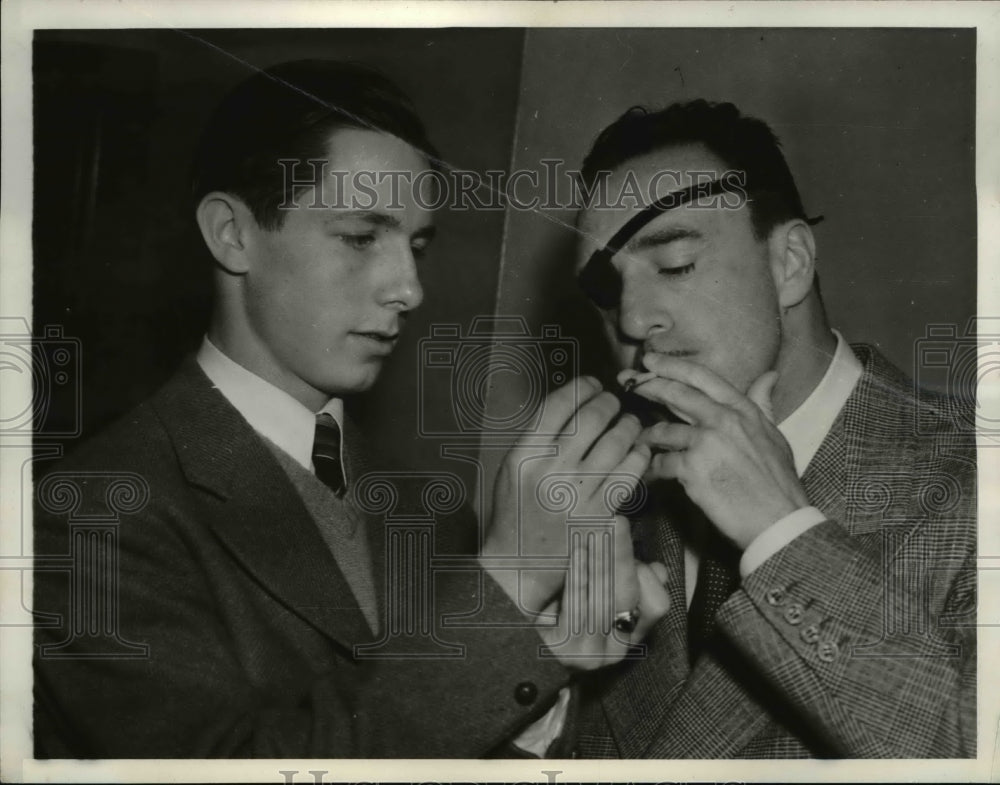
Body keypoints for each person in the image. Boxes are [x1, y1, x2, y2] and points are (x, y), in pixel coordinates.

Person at [32, 59, 669, 758]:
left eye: (417, 245)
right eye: (362, 237)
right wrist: (508, 585)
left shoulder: (426, 507)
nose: (410, 288)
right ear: (232, 234)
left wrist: (544, 652)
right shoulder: (89, 513)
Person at [559, 100, 977, 758]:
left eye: (673, 264)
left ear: (789, 263)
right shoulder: (619, 507)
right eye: (609, 292)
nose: (634, 320)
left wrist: (781, 533)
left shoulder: (976, 474)